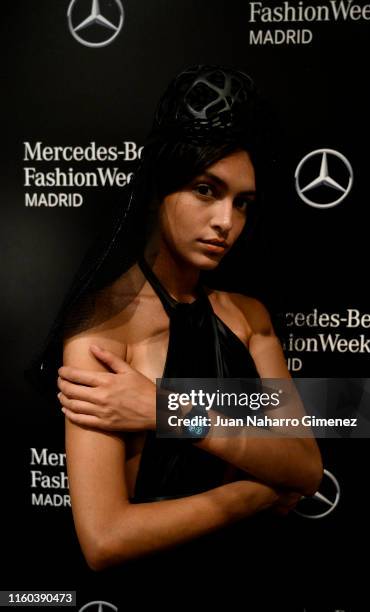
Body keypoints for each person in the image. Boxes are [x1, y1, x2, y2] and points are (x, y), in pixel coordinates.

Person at [26, 65, 323, 582]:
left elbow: (306, 467)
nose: (226, 222)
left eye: (243, 203)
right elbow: (104, 539)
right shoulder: (101, 335)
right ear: (161, 187)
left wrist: (165, 409)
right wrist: (256, 492)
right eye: (206, 189)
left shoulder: (250, 317)